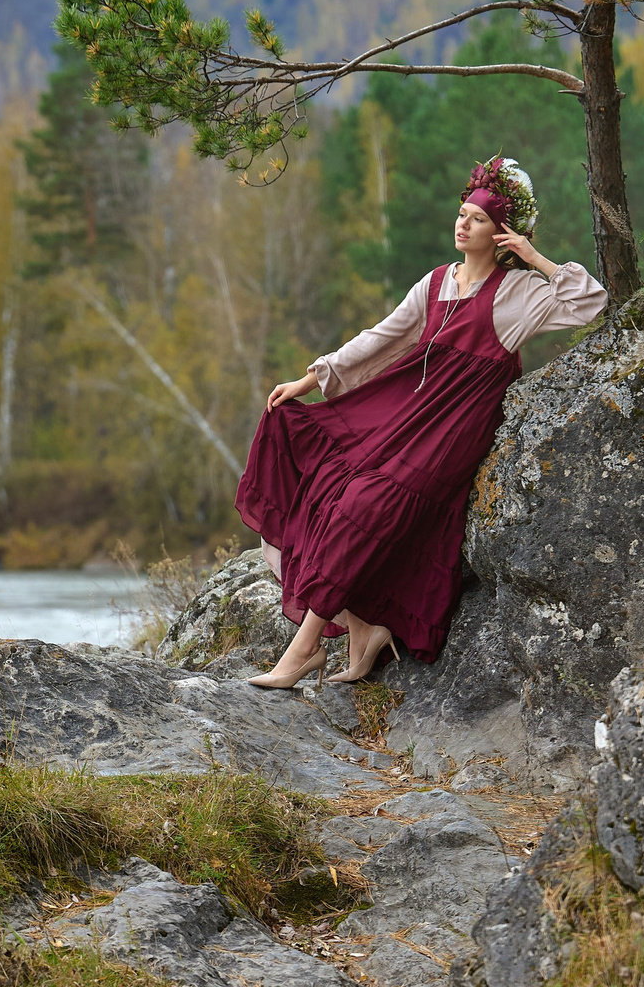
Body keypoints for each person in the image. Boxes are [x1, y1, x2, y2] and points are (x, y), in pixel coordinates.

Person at [233, 155, 607, 689]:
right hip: (407, 419)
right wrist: (311, 380)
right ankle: (364, 634)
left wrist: (535, 258)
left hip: (455, 433)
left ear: (502, 230)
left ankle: (303, 650)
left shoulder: (518, 295)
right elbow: (378, 339)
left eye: (477, 218)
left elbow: (591, 302)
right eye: (461, 214)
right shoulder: (435, 283)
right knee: (336, 487)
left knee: (366, 507)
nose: (463, 224)